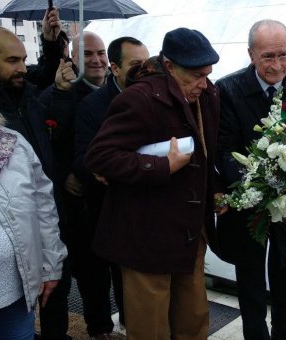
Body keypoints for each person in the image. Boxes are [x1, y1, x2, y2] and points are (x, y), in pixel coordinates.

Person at [84, 27, 220, 339]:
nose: (205, 82)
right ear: (169, 66)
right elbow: (100, 156)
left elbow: (209, 150)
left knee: (193, 319)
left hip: (189, 231)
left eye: (208, 73)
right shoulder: (140, 99)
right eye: (196, 75)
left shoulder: (208, 95)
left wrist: (216, 190)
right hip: (146, 234)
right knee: (151, 325)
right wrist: (161, 165)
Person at [0, 25, 72, 340]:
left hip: (45, 216)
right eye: (13, 60)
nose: (22, 69)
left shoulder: (25, 93)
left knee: (56, 291)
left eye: (24, 59)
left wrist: (52, 44)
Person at [215, 19, 286, 340]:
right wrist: (262, 188)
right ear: (251, 55)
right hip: (250, 201)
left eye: (284, 56)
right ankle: (256, 334)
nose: (277, 66)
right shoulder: (227, 90)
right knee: (250, 274)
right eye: (268, 57)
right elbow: (224, 150)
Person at [72, 36, 149, 338]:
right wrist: (100, 169)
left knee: (132, 278)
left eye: (147, 63)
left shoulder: (155, 96)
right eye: (135, 65)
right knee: (97, 274)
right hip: (104, 207)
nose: (143, 70)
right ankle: (100, 329)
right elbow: (82, 157)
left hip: (143, 207)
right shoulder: (92, 105)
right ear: (115, 68)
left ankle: (133, 326)